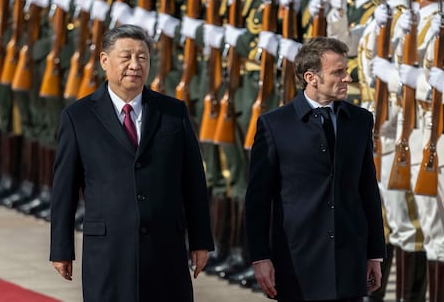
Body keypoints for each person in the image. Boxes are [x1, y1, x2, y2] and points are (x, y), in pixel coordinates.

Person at [49, 25, 213, 302]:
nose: (135, 65)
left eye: (143, 57)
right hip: (108, 250)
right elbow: (64, 189)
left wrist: (201, 241)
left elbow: (193, 181)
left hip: (165, 249)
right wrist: (61, 249)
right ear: (104, 60)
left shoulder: (173, 112)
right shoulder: (78, 117)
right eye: (126, 57)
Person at [245, 36, 386, 302]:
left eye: (347, 70)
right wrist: (260, 257)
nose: (347, 78)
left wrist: (375, 254)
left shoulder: (360, 120)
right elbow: (258, 199)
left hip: (348, 261)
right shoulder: (275, 125)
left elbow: (367, 190)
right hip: (297, 263)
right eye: (338, 72)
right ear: (311, 78)